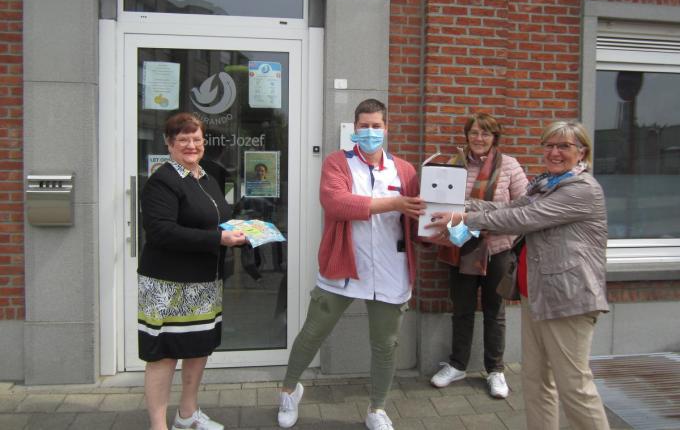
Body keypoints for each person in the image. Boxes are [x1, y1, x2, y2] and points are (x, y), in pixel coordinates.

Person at [426, 121, 611, 430]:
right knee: (536, 381)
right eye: (549, 145)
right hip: (536, 294)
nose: (554, 152)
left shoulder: (581, 189)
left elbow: (523, 217)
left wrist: (465, 217)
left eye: (563, 146)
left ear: (582, 153)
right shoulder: (546, 183)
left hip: (568, 299)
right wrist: (455, 203)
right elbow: (508, 205)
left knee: (574, 387)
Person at [276, 99, 425, 430]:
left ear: (387, 129)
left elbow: (416, 218)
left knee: (385, 344)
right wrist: (394, 203)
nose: (370, 132)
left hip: (390, 269)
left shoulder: (405, 170)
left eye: (376, 126)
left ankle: (377, 408)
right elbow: (336, 203)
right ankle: (288, 390)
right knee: (312, 333)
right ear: (354, 128)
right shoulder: (337, 163)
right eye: (364, 126)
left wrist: (444, 222)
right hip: (343, 266)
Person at [138, 112, 247, 430]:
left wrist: (242, 230)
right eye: (183, 139)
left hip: (203, 283)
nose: (191, 145)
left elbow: (217, 217)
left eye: (196, 139)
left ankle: (187, 414)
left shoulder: (206, 176)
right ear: (169, 144)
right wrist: (218, 237)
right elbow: (161, 232)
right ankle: (159, 425)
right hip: (168, 284)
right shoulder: (163, 180)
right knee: (164, 355)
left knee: (198, 348)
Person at [428, 113, 528, 399]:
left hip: (498, 249)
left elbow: (523, 208)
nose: (479, 138)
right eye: (474, 133)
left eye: (485, 133)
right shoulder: (454, 165)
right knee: (461, 309)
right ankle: (458, 364)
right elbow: (443, 202)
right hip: (462, 247)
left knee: (495, 312)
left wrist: (473, 209)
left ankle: (495, 370)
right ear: (467, 135)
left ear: (495, 137)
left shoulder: (509, 165)